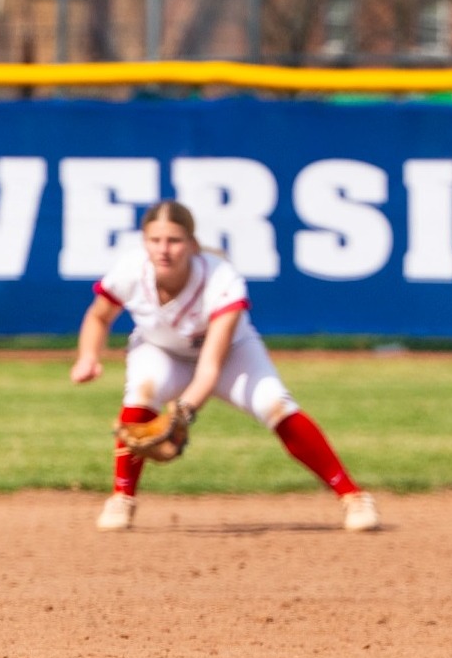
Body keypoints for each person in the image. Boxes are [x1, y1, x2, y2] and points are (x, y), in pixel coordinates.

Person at [70, 200, 381, 533]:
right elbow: (99, 316)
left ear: (191, 243)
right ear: (144, 241)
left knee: (275, 405)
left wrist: (181, 415)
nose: (164, 249)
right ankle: (122, 497)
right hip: (161, 350)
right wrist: (88, 355)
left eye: (174, 240)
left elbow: (209, 369)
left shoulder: (221, 279)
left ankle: (353, 496)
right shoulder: (131, 270)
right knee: (141, 394)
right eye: (155, 240)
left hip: (231, 354)